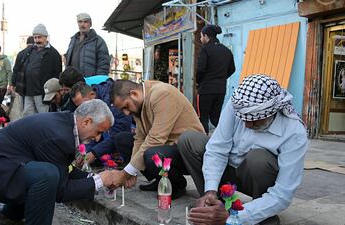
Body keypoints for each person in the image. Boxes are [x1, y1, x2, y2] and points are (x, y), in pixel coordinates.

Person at [178, 74, 308, 225]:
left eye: (253, 120)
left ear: (271, 112)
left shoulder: (294, 132)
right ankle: (212, 205)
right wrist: (210, 191)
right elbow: (217, 149)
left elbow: (283, 194)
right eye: (243, 118)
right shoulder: (239, 103)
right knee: (189, 140)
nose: (246, 125)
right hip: (228, 171)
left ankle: (259, 212)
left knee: (258, 159)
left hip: (255, 179)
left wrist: (234, 217)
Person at [0, 99, 116, 225]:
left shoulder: (65, 124)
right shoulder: (60, 136)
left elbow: (64, 169)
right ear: (87, 122)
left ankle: (9, 217)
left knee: (41, 172)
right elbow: (60, 191)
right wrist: (101, 180)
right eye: (99, 132)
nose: (97, 139)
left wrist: (92, 178)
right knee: (46, 175)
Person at [110, 79, 205, 199]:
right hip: (167, 148)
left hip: (187, 152)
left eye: (126, 107)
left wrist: (125, 173)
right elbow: (139, 138)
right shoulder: (139, 103)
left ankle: (176, 184)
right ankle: (161, 179)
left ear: (134, 94)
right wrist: (131, 171)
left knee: (152, 154)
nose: (126, 113)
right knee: (122, 140)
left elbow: (155, 140)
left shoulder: (162, 94)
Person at [69, 81, 133, 166]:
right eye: (79, 106)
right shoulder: (92, 106)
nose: (82, 109)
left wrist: (93, 153)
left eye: (83, 104)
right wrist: (84, 153)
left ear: (92, 95)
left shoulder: (114, 103)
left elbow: (117, 134)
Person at [10, 24, 62, 116]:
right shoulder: (28, 51)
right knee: (28, 117)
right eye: (35, 37)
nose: (37, 40)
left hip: (42, 93)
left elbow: (57, 75)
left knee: (43, 116)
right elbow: (17, 67)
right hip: (27, 92)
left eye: (39, 37)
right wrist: (13, 83)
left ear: (46, 37)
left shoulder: (54, 54)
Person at [197, 24, 235, 134]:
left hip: (205, 90)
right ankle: (227, 136)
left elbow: (200, 70)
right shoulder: (226, 51)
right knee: (215, 117)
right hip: (220, 89)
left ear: (206, 36)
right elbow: (232, 69)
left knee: (202, 118)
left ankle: (204, 143)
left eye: (201, 36)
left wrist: (199, 82)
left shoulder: (205, 50)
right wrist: (221, 78)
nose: (200, 39)